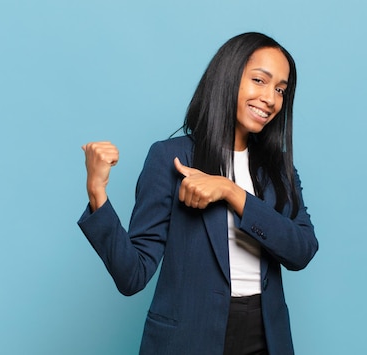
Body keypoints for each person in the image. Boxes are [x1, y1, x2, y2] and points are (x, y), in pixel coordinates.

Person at [78, 32, 318, 355]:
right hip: (187, 340)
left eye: (280, 90)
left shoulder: (278, 170)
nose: (271, 99)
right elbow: (132, 275)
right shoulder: (170, 158)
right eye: (259, 81)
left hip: (266, 338)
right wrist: (97, 194)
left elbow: (301, 249)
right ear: (229, 75)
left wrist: (231, 192)